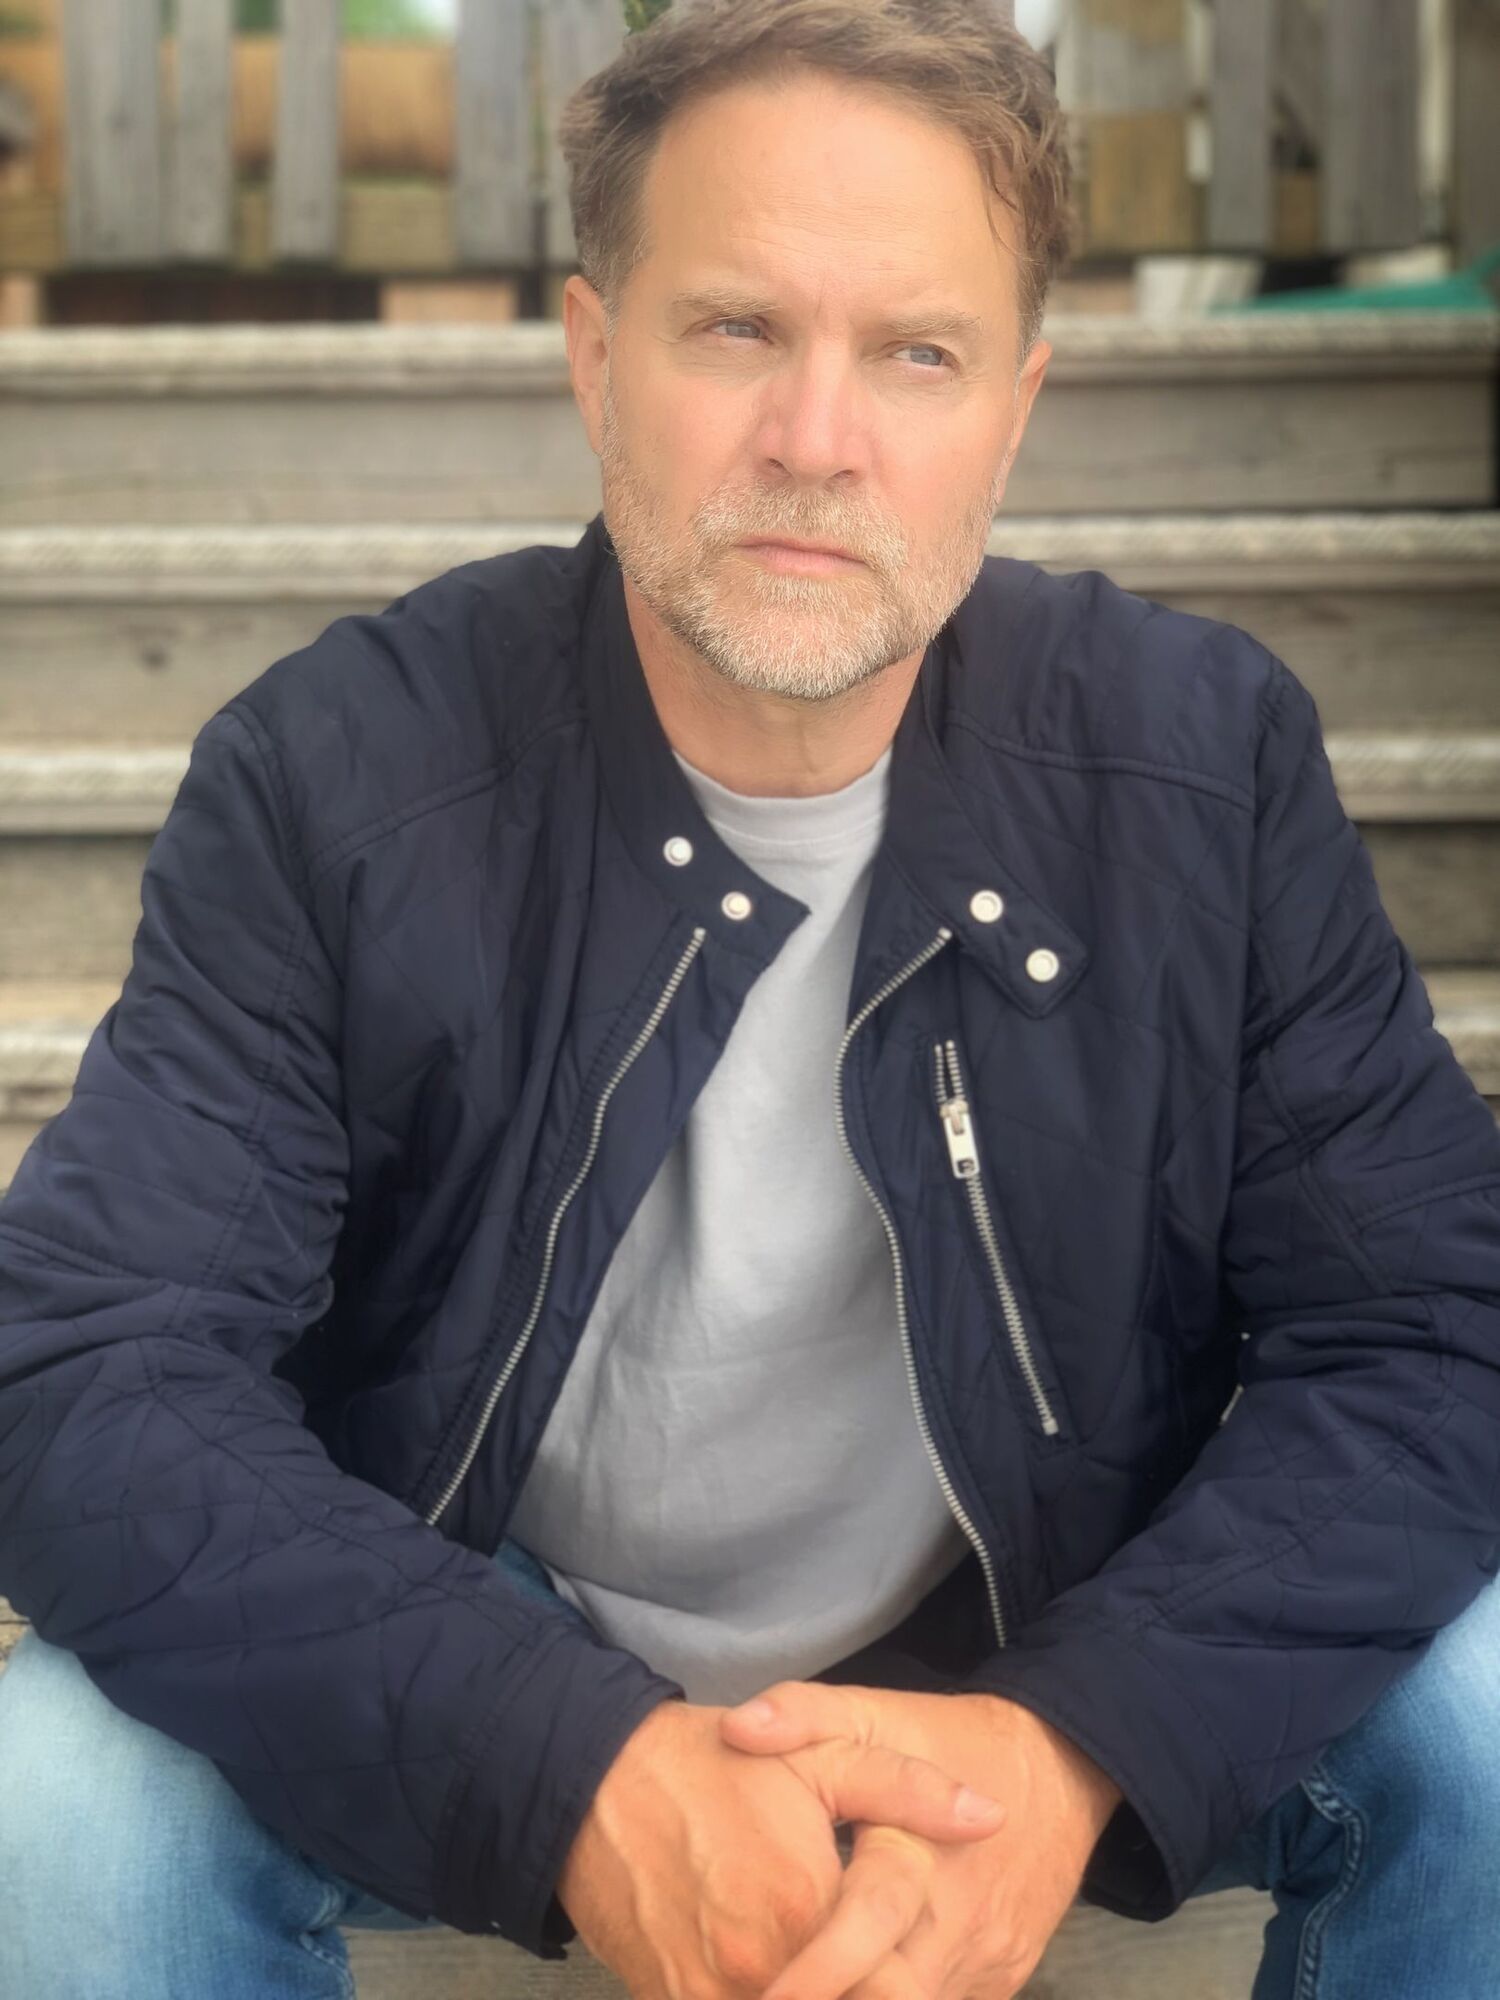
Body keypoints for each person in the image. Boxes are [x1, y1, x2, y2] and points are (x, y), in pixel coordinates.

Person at [1, 3, 1498, 1996]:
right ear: (593, 357)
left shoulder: (1199, 765)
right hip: (479, 1624)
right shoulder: (337, 777)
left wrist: (1080, 1740)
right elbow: (89, 1367)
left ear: (1016, 408)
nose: (815, 436)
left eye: (918, 353)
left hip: (1037, 1621)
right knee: (57, 1799)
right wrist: (564, 1760)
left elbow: (1430, 1330)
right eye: (734, 329)